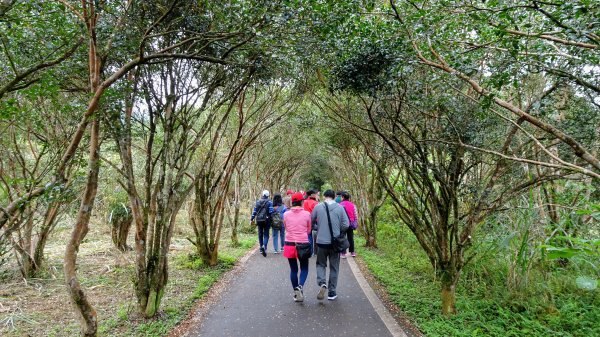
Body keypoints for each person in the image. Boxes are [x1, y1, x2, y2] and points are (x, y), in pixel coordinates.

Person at [311, 189, 349, 301]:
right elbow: (346, 224)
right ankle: (332, 293)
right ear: (334, 196)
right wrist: (338, 231)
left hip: (321, 242)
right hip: (335, 243)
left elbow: (311, 220)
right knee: (334, 267)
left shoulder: (318, 207)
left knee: (320, 264)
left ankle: (322, 283)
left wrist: (318, 228)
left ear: (324, 196)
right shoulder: (340, 208)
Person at [283, 192, 311, 302]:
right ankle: (300, 287)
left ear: (292, 202)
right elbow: (308, 230)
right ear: (302, 202)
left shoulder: (285, 214)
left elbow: (285, 227)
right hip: (303, 244)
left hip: (289, 243)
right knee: (304, 268)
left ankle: (296, 293)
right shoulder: (307, 214)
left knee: (293, 269)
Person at [251, 190, 274, 257]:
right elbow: (271, 211)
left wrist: (252, 218)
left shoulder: (257, 202)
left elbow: (255, 211)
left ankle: (261, 248)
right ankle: (264, 246)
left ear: (262, 194)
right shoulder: (270, 202)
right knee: (266, 234)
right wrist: (271, 218)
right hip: (267, 220)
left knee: (260, 234)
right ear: (268, 195)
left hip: (259, 220)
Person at [339, 191, 358, 258]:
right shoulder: (353, 205)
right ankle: (352, 252)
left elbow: (338, 215)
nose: (340, 198)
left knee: (342, 238)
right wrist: (356, 222)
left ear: (343, 197)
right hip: (351, 224)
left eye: (341, 197)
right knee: (351, 238)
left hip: (343, 224)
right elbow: (355, 215)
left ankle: (343, 253)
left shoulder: (340, 205)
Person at [303, 190, 319, 255]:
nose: (317, 195)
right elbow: (317, 213)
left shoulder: (304, 202)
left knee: (308, 236)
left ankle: (310, 251)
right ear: (312, 195)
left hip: (306, 220)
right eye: (316, 194)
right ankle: (316, 251)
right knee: (317, 236)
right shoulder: (315, 203)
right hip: (314, 221)